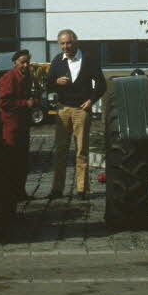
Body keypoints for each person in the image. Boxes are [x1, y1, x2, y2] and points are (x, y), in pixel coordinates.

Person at [44, 29, 106, 198]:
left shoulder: (88, 60)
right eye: (62, 44)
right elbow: (48, 84)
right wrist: (56, 81)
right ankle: (57, 189)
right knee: (61, 150)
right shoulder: (57, 61)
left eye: (68, 43)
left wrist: (91, 100)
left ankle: (82, 189)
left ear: (75, 42)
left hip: (81, 110)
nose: (66, 47)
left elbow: (101, 84)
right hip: (63, 109)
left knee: (81, 150)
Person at [0, 49, 38, 202]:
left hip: (22, 125)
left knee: (22, 161)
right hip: (11, 126)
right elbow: (4, 103)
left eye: (27, 62)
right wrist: (25, 103)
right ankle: (10, 193)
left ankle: (20, 192)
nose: (26, 65)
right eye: (23, 62)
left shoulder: (27, 78)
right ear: (15, 63)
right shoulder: (9, 78)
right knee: (12, 161)